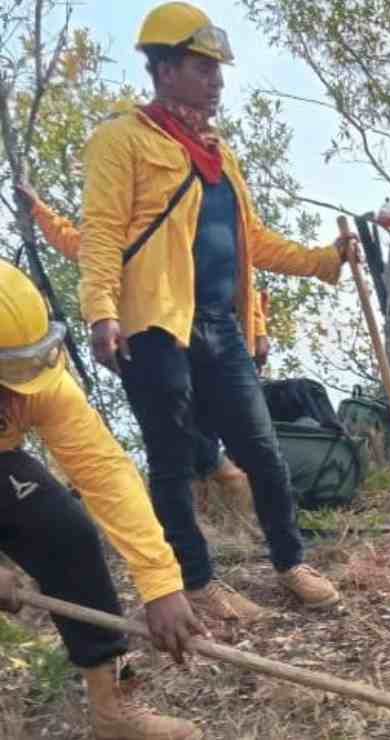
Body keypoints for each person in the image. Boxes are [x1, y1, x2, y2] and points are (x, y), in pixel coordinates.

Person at [77, 1, 354, 622]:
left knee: (261, 448)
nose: (218, 81)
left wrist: (324, 259)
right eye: (203, 68)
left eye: (218, 70)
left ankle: (290, 562)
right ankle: (198, 582)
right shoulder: (121, 140)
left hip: (221, 326)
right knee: (173, 460)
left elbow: (251, 240)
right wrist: (101, 310)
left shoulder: (219, 156)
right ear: (165, 68)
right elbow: (98, 235)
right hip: (153, 328)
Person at [0, 260, 205, 740]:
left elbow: (104, 470)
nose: (16, 397)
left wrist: (160, 582)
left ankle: (111, 710)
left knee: (67, 534)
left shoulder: (40, 376)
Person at [14, 181, 255, 499]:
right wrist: (39, 210)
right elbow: (78, 244)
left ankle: (228, 484)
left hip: (188, 333)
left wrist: (258, 329)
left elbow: (238, 270)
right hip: (139, 338)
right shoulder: (112, 234)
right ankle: (214, 494)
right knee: (168, 419)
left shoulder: (179, 223)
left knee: (186, 417)